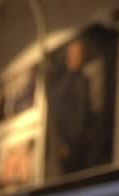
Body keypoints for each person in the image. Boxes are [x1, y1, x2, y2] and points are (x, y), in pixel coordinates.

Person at [48, 38, 94, 176]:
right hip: (68, 146)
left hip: (84, 146)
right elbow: (57, 115)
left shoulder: (85, 81)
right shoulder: (61, 85)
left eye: (80, 53)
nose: (78, 57)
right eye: (74, 54)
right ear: (69, 56)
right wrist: (62, 142)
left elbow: (87, 110)